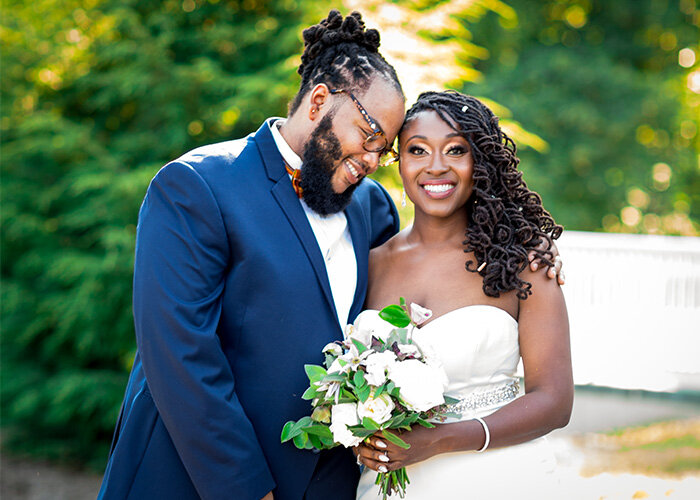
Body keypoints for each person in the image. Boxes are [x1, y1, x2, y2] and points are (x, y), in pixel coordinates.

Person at [97, 10, 562, 500]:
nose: (370, 162)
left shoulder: (370, 207)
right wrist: (246, 488)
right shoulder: (197, 186)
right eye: (369, 138)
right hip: (194, 478)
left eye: (382, 150)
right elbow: (180, 355)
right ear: (320, 100)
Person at [354, 91, 573, 499]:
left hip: (500, 481)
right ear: (398, 162)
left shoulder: (523, 264)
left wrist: (442, 440)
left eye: (456, 150)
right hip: (390, 487)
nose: (436, 167)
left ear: (480, 164)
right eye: (417, 151)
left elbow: (555, 402)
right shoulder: (369, 264)